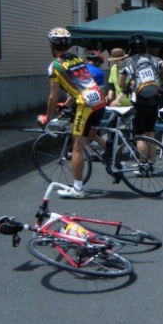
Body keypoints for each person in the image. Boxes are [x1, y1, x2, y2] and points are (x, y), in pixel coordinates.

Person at [37, 28, 107, 199]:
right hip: (99, 98)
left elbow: (53, 97)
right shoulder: (76, 59)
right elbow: (81, 83)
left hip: (86, 104)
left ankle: (77, 188)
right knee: (92, 133)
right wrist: (68, 102)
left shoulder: (55, 66)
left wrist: (47, 117)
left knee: (77, 147)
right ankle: (114, 159)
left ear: (51, 45)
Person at [118, 33, 163, 160]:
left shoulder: (127, 61)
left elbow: (121, 83)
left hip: (139, 102)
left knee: (140, 135)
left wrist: (129, 87)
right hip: (154, 101)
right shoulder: (154, 59)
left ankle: (143, 164)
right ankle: (152, 162)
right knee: (150, 133)